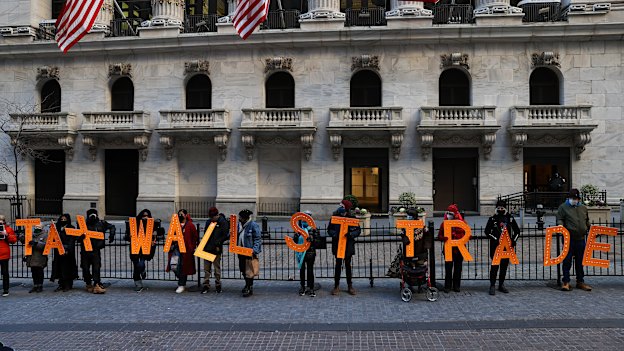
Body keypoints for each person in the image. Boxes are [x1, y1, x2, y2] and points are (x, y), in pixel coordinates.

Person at [557, 188, 592, 292]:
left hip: (581, 238)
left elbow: (586, 220)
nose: (575, 200)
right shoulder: (563, 207)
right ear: (569, 198)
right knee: (567, 260)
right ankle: (566, 281)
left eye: (576, 198)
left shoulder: (583, 208)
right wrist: (560, 226)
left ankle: (580, 281)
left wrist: (591, 228)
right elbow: (560, 218)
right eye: (573, 198)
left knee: (580, 261)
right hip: (569, 238)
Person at [485, 200, 520, 295]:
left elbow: (517, 231)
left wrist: (513, 241)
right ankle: (492, 285)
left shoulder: (510, 219)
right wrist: (495, 238)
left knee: (504, 267)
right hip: (495, 247)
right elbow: (487, 231)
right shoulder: (492, 219)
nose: (500, 209)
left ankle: (501, 284)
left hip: (506, 247)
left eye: (502, 208)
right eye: (499, 208)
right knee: (494, 267)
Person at [328, 206, 361, 296]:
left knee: (348, 266)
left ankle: (350, 285)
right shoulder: (334, 218)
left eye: (344, 213)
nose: (343, 214)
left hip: (348, 245)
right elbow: (329, 230)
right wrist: (335, 234)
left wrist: (351, 234)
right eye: (341, 213)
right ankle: (336, 285)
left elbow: (358, 231)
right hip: (338, 245)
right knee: (338, 266)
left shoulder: (352, 219)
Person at [82, 208, 116, 294]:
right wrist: (81, 237)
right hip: (85, 250)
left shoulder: (101, 223)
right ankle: (88, 283)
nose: (92, 216)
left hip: (96, 249)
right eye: (90, 214)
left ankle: (96, 284)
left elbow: (112, 226)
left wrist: (111, 235)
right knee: (85, 268)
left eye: (94, 214)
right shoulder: (83, 225)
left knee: (96, 268)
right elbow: (77, 236)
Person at [167, 209, 199, 294]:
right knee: (173, 265)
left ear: (186, 215)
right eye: (179, 214)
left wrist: (192, 247)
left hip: (186, 250)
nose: (180, 216)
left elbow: (195, 237)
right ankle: (181, 278)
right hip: (176, 248)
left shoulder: (190, 225)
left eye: (182, 214)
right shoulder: (175, 225)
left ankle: (181, 284)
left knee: (183, 266)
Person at [127, 209, 158, 292]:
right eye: (144, 216)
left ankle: (142, 271)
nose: (145, 217)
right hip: (135, 248)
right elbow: (127, 236)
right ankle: (138, 284)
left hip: (145, 248)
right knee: (136, 265)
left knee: (140, 264)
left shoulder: (152, 225)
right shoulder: (134, 224)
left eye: (147, 216)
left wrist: (154, 238)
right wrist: (129, 236)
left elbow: (157, 235)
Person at [438, 204, 467, 293]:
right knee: (448, 268)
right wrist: (444, 238)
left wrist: (457, 236)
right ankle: (447, 286)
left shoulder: (462, 223)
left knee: (458, 268)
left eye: (451, 213)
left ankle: (456, 286)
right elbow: (439, 235)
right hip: (448, 249)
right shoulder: (444, 223)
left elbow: (467, 234)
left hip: (459, 249)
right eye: (448, 213)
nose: (449, 215)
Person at [201, 207, 230, 294]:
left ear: (217, 215)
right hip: (207, 248)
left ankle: (218, 284)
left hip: (216, 248)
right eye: (210, 217)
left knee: (216, 269)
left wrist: (218, 243)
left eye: (213, 217)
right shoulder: (209, 221)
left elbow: (225, 235)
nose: (211, 219)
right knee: (206, 269)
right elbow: (206, 234)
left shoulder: (223, 222)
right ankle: (206, 285)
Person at [235, 209, 262, 297]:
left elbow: (257, 238)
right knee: (243, 269)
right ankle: (247, 284)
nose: (240, 219)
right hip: (240, 250)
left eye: (241, 218)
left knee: (249, 270)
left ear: (245, 218)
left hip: (249, 251)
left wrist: (254, 250)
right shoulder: (238, 225)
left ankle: (249, 286)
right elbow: (233, 235)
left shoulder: (253, 225)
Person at [293, 210, 318, 297]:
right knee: (302, 270)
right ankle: (302, 287)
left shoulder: (313, 229)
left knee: (310, 271)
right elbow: (295, 242)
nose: (305, 220)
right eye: (304, 218)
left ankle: (311, 288)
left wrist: (312, 239)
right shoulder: (299, 229)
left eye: (307, 217)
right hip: (301, 252)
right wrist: (295, 237)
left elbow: (317, 241)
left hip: (310, 252)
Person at [50, 214, 77, 292]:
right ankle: (61, 284)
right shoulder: (57, 228)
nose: (63, 221)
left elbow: (72, 240)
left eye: (64, 219)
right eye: (61, 219)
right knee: (59, 268)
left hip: (67, 252)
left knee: (67, 268)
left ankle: (68, 285)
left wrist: (67, 249)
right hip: (58, 251)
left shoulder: (71, 228)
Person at [19, 223, 48, 293]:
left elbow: (45, 245)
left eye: (39, 227)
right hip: (31, 256)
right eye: (35, 226)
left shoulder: (45, 235)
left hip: (40, 256)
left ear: (42, 228)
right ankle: (35, 285)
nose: (37, 228)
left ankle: (40, 286)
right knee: (34, 272)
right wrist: (22, 235)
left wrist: (36, 243)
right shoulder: (31, 234)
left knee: (39, 271)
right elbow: (24, 241)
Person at [0, 215, 18, 297]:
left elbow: (14, 240)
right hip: (4, 252)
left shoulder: (8, 229)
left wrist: (6, 235)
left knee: (5, 273)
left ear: (4, 221)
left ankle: (6, 289)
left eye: (1, 220)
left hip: (4, 254)